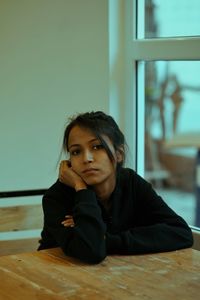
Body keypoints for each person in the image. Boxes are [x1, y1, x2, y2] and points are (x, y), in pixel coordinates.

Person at [38, 111, 193, 264]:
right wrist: (81, 189)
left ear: (118, 154)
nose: (87, 158)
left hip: (119, 275)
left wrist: (106, 238)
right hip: (59, 276)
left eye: (97, 147)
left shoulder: (131, 183)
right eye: (76, 151)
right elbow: (92, 251)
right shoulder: (56, 197)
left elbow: (181, 233)